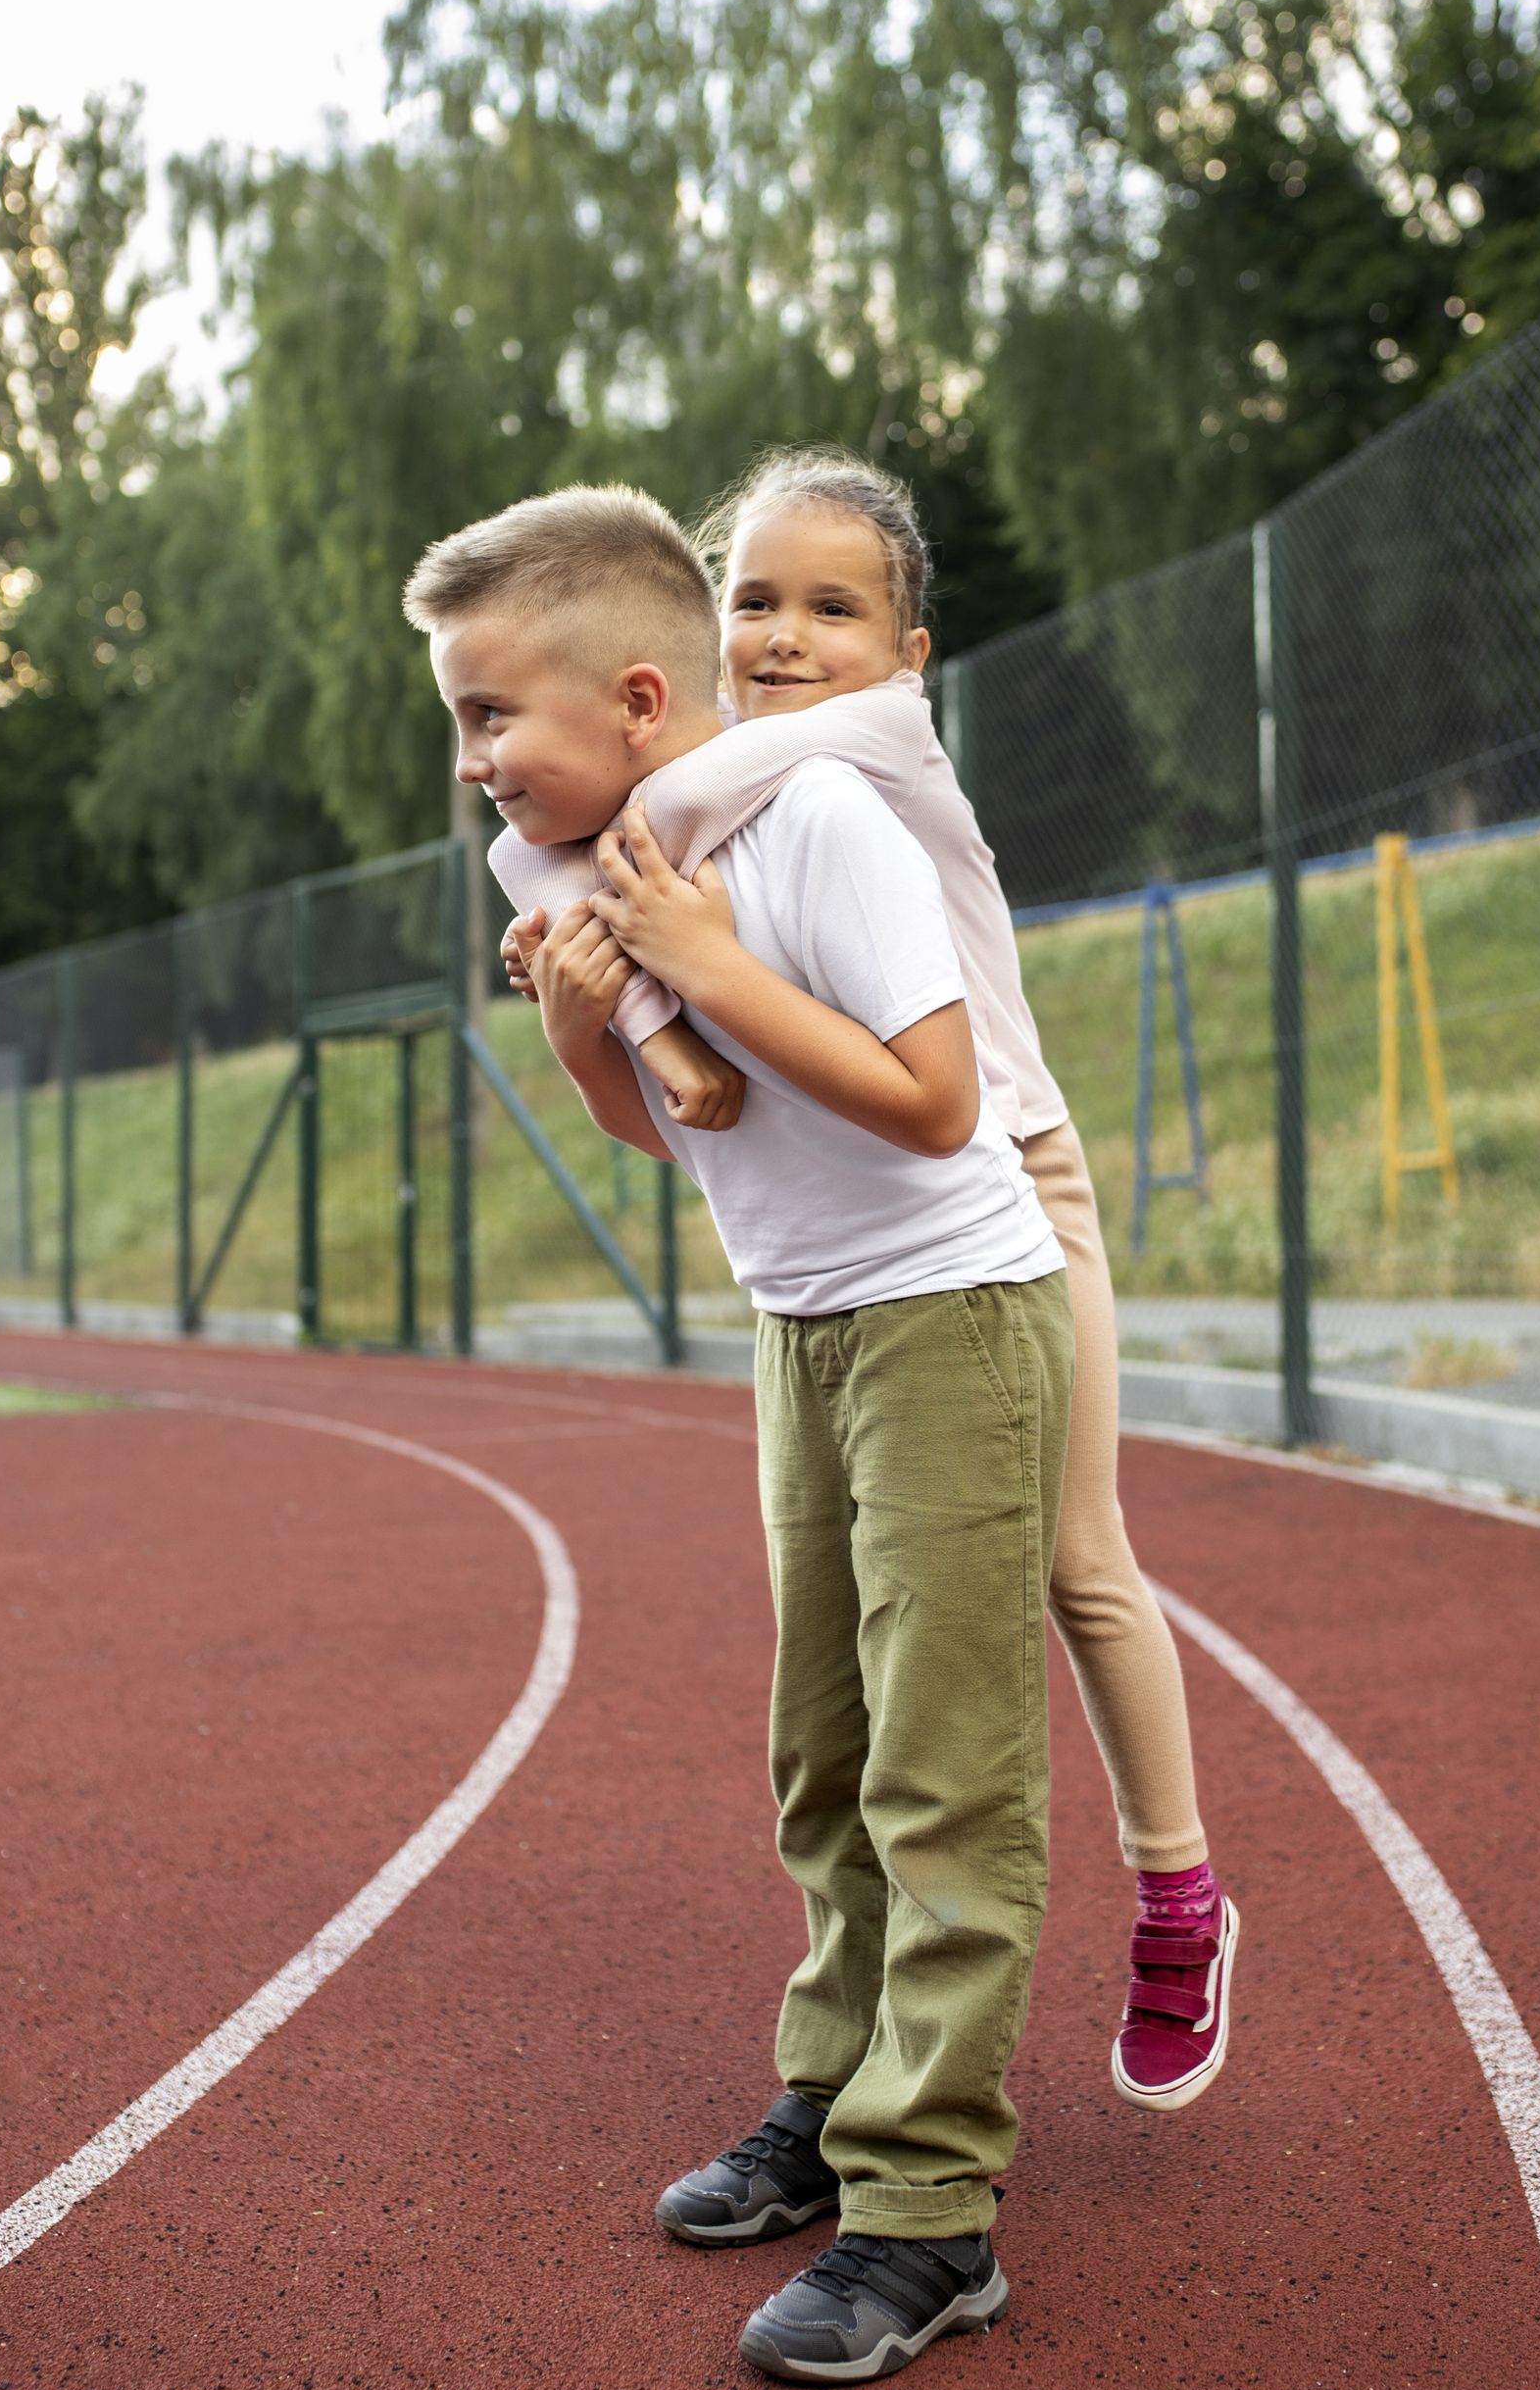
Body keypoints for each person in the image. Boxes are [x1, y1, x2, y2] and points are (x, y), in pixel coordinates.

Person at [403, 484, 1074, 2387]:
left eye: (484, 718)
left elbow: (936, 1106)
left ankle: (930, 2215)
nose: (466, 761)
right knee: (823, 1753)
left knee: (943, 1777)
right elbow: (667, 1133)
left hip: (951, 1313)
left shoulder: (817, 825)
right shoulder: (586, 867)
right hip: (805, 1332)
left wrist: (699, 961)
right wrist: (590, 1024)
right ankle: (835, 2091)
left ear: (632, 693)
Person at [495, 449, 1238, 2118]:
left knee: (1076, 1552)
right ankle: (861, 2051)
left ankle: (1179, 1900)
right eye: (751, 600)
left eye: (835, 609)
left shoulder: (858, 750)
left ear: (909, 658)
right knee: (852, 1675)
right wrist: (591, 986)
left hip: (1008, 1185)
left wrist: (572, 892)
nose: (781, 637)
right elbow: (680, 1089)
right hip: (848, 1231)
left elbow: (614, 827)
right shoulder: (716, 787)